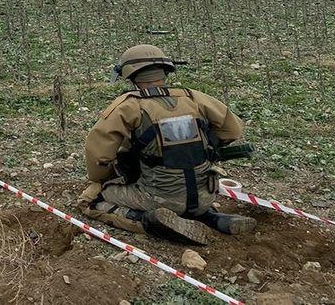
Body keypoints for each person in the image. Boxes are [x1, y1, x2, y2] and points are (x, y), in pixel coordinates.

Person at [78, 44, 256, 245]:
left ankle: (149, 222)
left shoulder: (129, 106)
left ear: (130, 75)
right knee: (187, 193)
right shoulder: (193, 97)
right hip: (205, 195)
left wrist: (104, 178)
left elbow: (99, 156)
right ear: (165, 70)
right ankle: (212, 217)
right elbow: (233, 130)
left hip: (158, 198)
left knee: (90, 200)